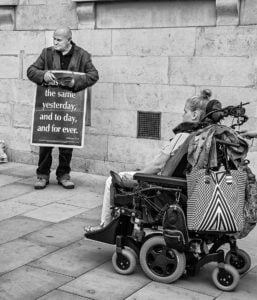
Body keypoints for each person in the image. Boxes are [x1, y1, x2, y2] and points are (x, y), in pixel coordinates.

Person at [85, 89, 212, 233]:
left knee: (111, 180)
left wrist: (136, 176)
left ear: (194, 115)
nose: (183, 115)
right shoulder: (204, 138)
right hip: (182, 187)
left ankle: (104, 225)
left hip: (162, 187)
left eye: (185, 111)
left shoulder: (184, 136)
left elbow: (156, 165)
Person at [27, 27, 99, 190]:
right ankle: (42, 175)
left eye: (59, 39)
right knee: (45, 142)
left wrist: (76, 82)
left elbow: (93, 75)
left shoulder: (82, 55)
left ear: (69, 39)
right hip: (49, 107)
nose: (55, 42)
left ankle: (63, 175)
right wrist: (43, 74)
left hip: (70, 108)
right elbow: (31, 71)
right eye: (54, 39)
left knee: (67, 142)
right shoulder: (46, 53)